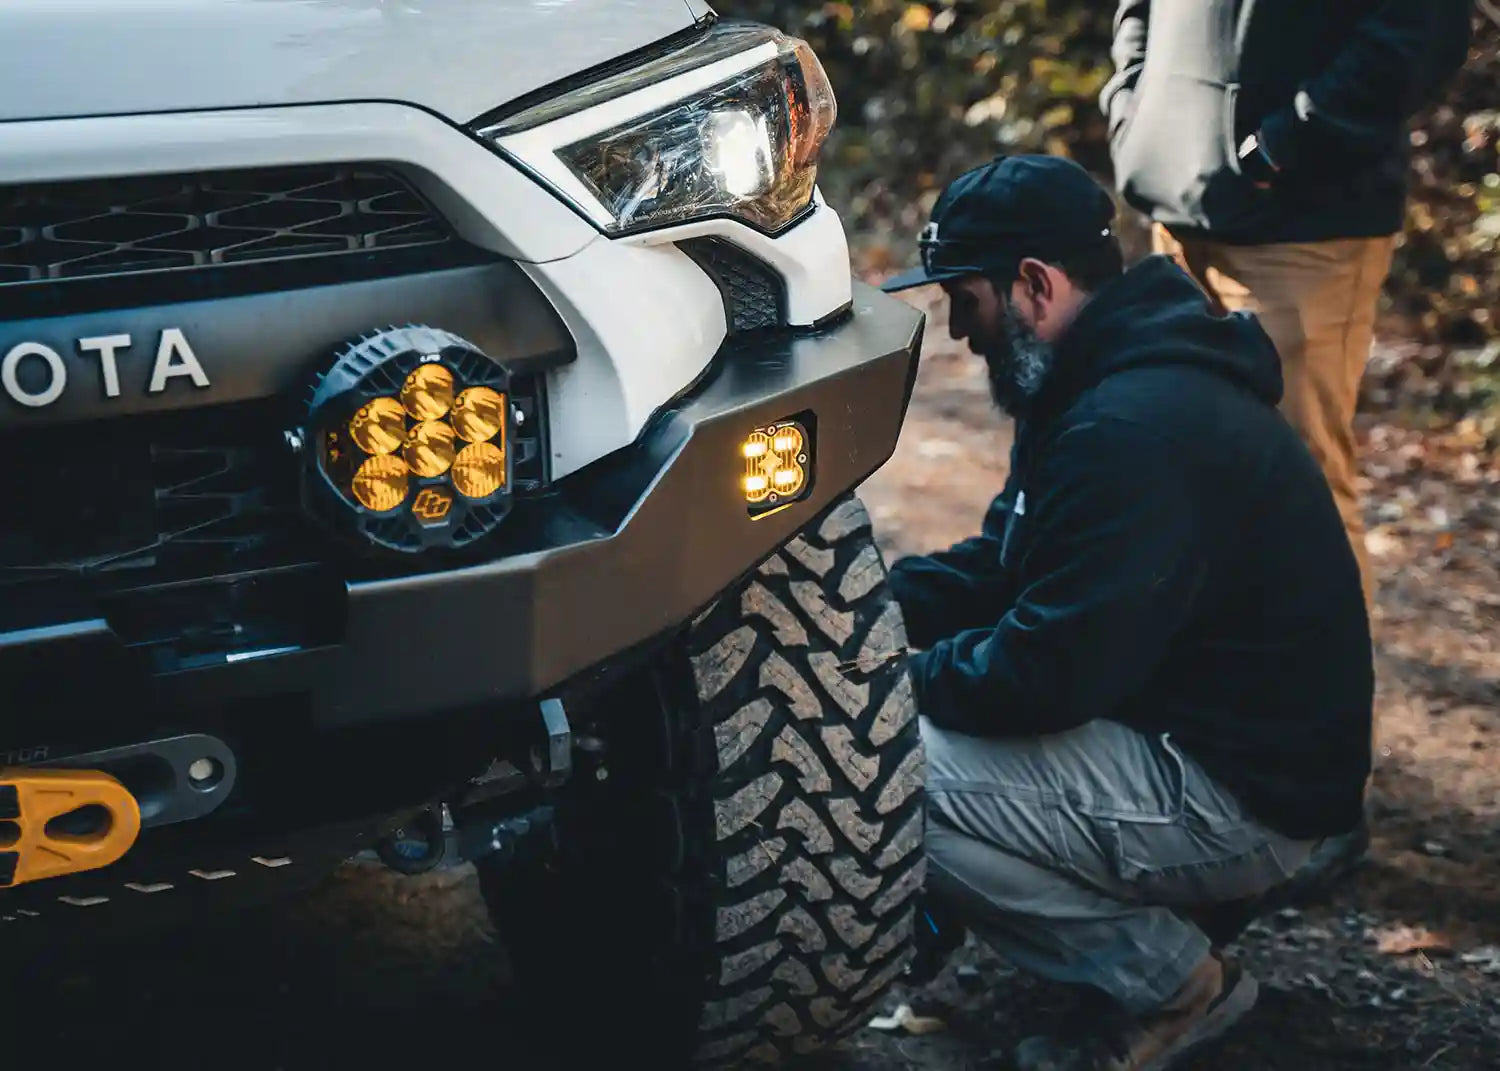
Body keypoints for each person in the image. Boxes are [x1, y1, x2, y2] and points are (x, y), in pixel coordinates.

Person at [879, 154, 1373, 1070]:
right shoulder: (1087, 382)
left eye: (966, 298)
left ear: (1034, 284)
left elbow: (1046, 675)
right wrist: (866, 611)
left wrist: (881, 686)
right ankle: (1135, 923)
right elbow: (1004, 564)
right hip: (1194, 736)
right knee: (906, 723)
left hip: (1245, 796)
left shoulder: (1132, 427)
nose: (958, 328)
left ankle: (1173, 984)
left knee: (888, 769)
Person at [1098, 1, 1472, 892]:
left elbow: (1418, 29)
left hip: (1307, 220)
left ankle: (1318, 790)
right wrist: (1132, 110)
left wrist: (1284, 145)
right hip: (1177, 201)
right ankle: (1200, 748)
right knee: (1180, 477)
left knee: (1300, 490)